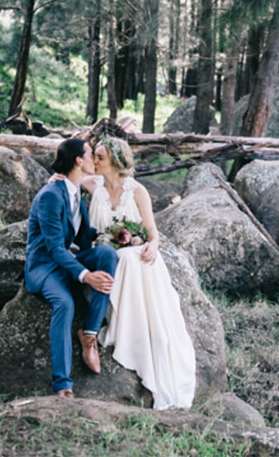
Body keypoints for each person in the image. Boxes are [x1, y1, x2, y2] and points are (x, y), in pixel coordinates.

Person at [80, 135, 197, 410]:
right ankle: (122, 326)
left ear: (116, 162)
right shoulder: (91, 185)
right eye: (94, 156)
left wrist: (152, 246)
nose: (95, 161)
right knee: (125, 258)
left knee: (134, 257)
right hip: (104, 258)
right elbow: (69, 176)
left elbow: (153, 234)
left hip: (134, 256)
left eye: (100, 157)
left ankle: (138, 331)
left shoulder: (138, 191)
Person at [24, 138, 118, 399]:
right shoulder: (51, 196)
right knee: (65, 304)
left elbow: (81, 236)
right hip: (46, 266)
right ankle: (63, 384)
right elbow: (54, 249)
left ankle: (89, 333)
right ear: (79, 160)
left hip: (69, 260)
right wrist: (86, 276)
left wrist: (122, 235)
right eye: (91, 155)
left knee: (108, 254)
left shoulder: (77, 191)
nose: (94, 160)